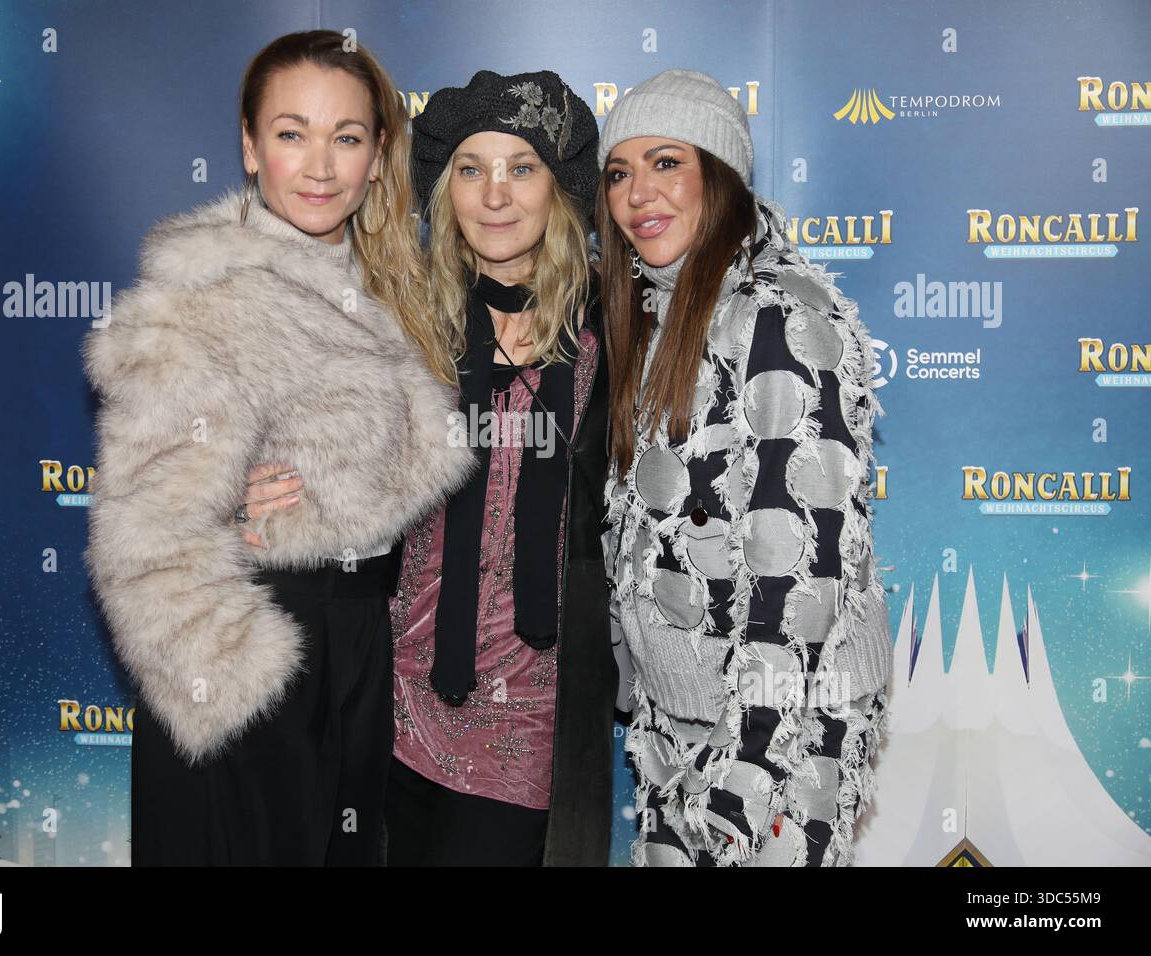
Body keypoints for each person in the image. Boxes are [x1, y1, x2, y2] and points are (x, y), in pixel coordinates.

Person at [82, 30, 473, 866]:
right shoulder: (198, 300)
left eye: (347, 137)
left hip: (361, 648)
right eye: (292, 134)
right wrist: (237, 680)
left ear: (377, 158)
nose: (321, 166)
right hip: (256, 652)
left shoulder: (392, 292)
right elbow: (141, 539)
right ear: (251, 148)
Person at [242, 70, 617, 867]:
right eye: (472, 170)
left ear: (559, 191)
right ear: (446, 191)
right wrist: (232, 489)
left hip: (534, 722)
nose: (496, 194)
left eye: (522, 169)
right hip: (396, 709)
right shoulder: (401, 326)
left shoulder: (609, 339)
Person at [597, 69, 892, 867]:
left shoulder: (778, 316)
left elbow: (798, 567)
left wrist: (753, 763)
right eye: (619, 172)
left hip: (780, 729)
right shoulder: (659, 307)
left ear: (718, 179)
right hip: (680, 719)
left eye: (666, 163)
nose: (636, 195)